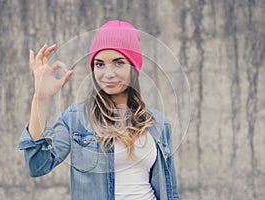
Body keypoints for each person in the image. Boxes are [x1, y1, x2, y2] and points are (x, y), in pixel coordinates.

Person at [18, 20, 179, 200]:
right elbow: (37, 165)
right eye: (100, 64)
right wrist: (40, 99)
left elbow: (169, 190)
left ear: (134, 68)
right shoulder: (75, 119)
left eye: (118, 63)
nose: (108, 74)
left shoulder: (158, 123)